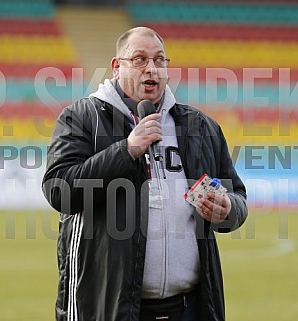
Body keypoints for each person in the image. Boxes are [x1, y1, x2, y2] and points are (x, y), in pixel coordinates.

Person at [42, 26, 248, 321]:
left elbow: (236, 195)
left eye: (159, 60)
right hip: (114, 307)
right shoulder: (81, 118)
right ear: (117, 67)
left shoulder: (200, 127)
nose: (151, 68)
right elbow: (59, 190)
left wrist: (228, 209)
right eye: (139, 59)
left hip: (189, 307)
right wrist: (126, 150)